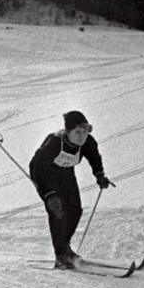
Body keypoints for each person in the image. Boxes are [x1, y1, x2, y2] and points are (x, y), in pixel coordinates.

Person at [29, 111, 111, 269]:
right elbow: (38, 168)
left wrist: (99, 175)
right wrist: (49, 195)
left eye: (85, 131)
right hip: (45, 175)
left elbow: (94, 157)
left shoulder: (88, 142)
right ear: (68, 132)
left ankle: (65, 248)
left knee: (75, 210)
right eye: (77, 132)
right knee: (58, 211)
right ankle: (60, 255)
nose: (82, 136)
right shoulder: (54, 143)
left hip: (66, 173)